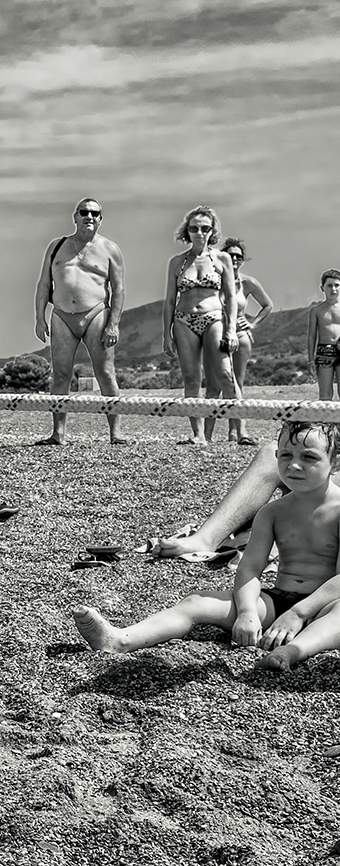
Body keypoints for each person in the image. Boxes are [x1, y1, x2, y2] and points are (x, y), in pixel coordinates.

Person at [76, 420, 340, 671]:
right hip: (278, 600)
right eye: (285, 456)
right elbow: (250, 567)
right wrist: (247, 612)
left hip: (325, 606)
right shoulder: (272, 512)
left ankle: (292, 651)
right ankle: (122, 639)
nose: (294, 466)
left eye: (308, 457)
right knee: (196, 601)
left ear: (335, 461)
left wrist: (298, 614)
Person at [32, 199, 127, 445]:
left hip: (95, 313)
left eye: (95, 213)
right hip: (62, 315)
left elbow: (118, 289)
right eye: (84, 212)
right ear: (75, 217)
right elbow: (44, 284)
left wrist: (113, 323)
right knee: (61, 375)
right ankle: (58, 433)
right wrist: (39, 318)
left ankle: (116, 433)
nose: (89, 217)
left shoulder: (110, 249)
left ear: (101, 219)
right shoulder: (56, 246)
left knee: (105, 373)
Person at [164, 206, 239, 445]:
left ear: (212, 231)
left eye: (205, 228)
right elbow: (169, 300)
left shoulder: (222, 259)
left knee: (226, 374)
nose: (199, 233)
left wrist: (231, 330)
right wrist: (166, 334)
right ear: (187, 230)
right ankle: (198, 435)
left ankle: (237, 430)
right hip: (183, 320)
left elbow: (230, 299)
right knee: (191, 378)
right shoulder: (177, 262)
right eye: (194, 228)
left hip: (213, 317)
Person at [223, 238, 273, 446]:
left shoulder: (248, 282)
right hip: (217, 335)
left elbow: (267, 305)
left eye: (239, 256)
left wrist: (252, 324)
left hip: (241, 336)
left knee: (236, 382)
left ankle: (237, 431)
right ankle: (212, 432)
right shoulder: (214, 279)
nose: (235, 259)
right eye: (231, 255)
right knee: (221, 382)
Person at [307, 270, 340, 401]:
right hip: (324, 351)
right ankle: (325, 422)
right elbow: (311, 336)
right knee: (325, 395)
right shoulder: (316, 310)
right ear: (322, 288)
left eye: (337, 285)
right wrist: (310, 360)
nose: (333, 289)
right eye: (329, 285)